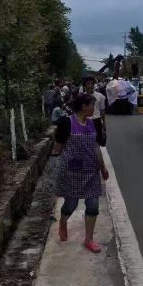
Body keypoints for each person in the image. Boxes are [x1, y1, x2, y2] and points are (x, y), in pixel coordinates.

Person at [52, 93, 109, 253]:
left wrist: (103, 167)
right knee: (71, 204)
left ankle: (89, 239)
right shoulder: (66, 123)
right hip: (72, 172)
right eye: (92, 105)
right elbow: (58, 149)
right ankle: (63, 222)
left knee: (93, 205)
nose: (94, 108)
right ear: (84, 106)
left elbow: (96, 147)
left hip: (91, 171)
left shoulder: (92, 123)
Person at [83, 76, 106, 145]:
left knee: (97, 142)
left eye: (92, 84)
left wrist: (104, 123)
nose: (90, 86)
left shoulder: (100, 96)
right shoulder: (82, 97)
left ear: (94, 85)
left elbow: (102, 111)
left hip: (97, 121)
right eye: (88, 84)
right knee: (86, 142)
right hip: (85, 121)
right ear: (85, 85)